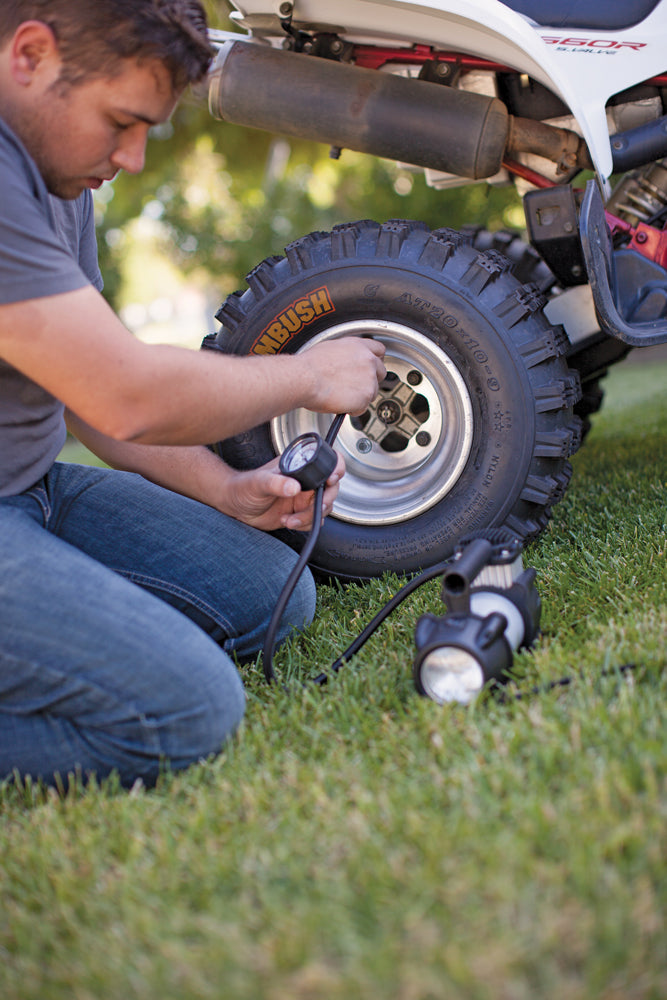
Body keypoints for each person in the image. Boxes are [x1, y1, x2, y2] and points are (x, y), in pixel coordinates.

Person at [0, 0, 386, 789]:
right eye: (120, 122)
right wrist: (313, 376)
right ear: (29, 56)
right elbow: (126, 393)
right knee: (189, 709)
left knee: (273, 595)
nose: (134, 159)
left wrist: (229, 490)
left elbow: (85, 400)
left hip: (31, 490)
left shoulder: (56, 179)